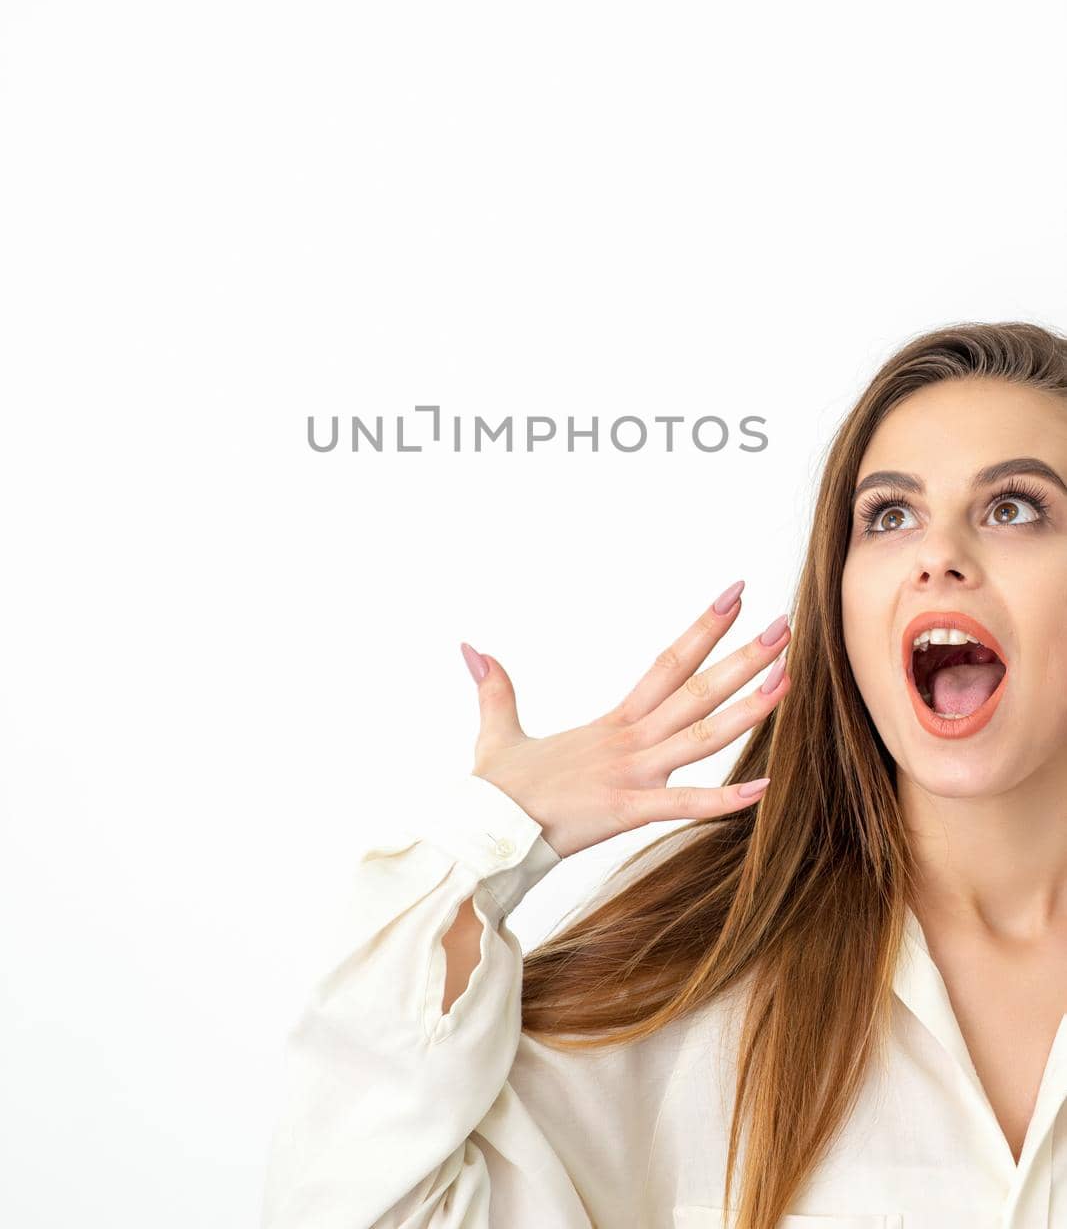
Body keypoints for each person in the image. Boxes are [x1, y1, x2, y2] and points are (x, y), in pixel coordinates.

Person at [259, 320, 1067, 1229]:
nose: (936, 556)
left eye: (1014, 508)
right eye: (888, 515)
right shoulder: (693, 982)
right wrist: (497, 830)